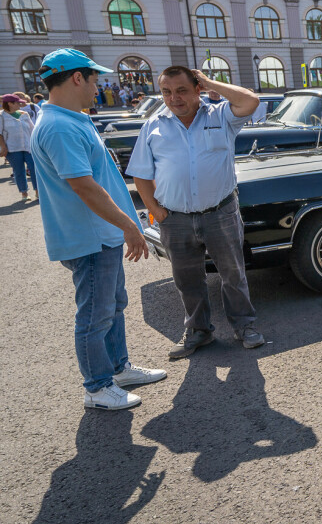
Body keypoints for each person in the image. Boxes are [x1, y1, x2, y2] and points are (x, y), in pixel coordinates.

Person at [30, 49, 166, 411]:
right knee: (95, 315)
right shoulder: (59, 125)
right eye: (94, 79)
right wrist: (129, 226)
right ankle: (97, 387)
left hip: (97, 235)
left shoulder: (69, 118)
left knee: (112, 306)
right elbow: (84, 186)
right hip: (89, 238)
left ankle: (118, 370)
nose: (99, 86)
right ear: (77, 78)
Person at [127, 65, 265, 359]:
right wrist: (155, 211)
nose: (174, 98)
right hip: (175, 219)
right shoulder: (153, 126)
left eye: (181, 90)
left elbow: (251, 101)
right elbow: (140, 174)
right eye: (166, 91)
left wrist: (208, 80)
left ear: (197, 89)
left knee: (233, 274)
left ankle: (244, 326)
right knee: (187, 279)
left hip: (220, 213)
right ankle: (199, 331)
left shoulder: (220, 115)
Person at [1, 94, 38, 202]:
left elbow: (33, 130)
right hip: (12, 148)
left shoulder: (24, 114)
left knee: (34, 168)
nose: (21, 104)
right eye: (18, 102)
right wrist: (3, 147)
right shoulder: (1, 116)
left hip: (28, 146)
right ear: (10, 104)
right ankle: (24, 193)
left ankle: (38, 192)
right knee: (19, 171)